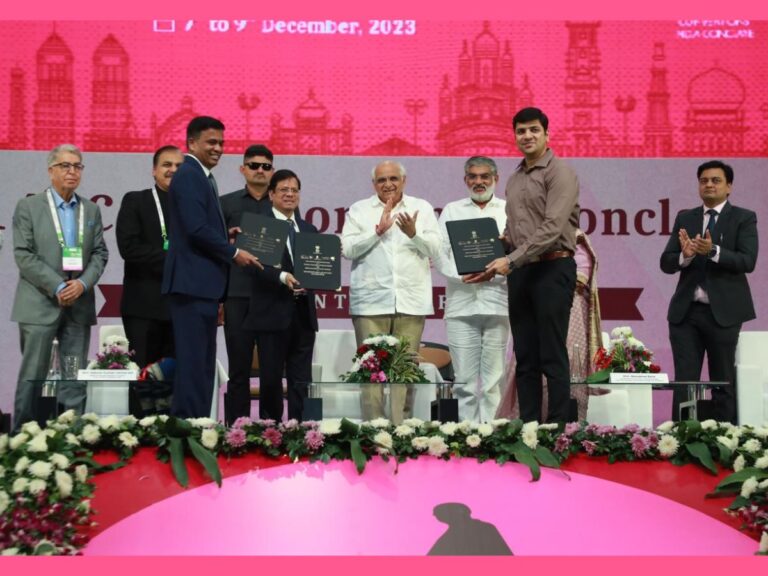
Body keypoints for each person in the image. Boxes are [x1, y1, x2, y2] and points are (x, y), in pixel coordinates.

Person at [469, 107, 579, 424]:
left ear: (546, 134)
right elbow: (519, 230)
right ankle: (529, 427)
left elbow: (553, 228)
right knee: (525, 356)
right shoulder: (515, 177)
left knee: (552, 354)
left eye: (533, 130)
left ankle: (557, 429)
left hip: (552, 268)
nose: (527, 136)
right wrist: (499, 246)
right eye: (521, 131)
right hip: (522, 272)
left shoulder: (560, 172)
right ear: (514, 136)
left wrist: (511, 257)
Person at [161, 116, 261, 419]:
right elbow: (194, 229)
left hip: (201, 285)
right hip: (191, 284)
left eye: (221, 142)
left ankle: (198, 425)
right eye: (211, 142)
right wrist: (232, 252)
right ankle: (188, 428)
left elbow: (199, 227)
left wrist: (223, 236)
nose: (218, 148)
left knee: (203, 363)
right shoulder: (190, 174)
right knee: (194, 363)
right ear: (192, 143)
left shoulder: (201, 175)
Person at [10, 144, 109, 431]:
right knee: (34, 374)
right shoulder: (29, 206)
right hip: (40, 304)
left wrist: (81, 283)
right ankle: (21, 437)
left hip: (78, 305)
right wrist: (57, 286)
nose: (72, 172)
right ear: (51, 170)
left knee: (72, 374)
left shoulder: (90, 209)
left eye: (77, 166)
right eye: (65, 166)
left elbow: (100, 254)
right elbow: (23, 254)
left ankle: (73, 436)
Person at [341, 160, 441, 423]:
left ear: (404, 181)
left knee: (404, 372)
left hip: (411, 303)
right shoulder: (359, 210)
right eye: (382, 180)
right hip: (370, 303)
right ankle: (373, 429)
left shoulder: (422, 208)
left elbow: (436, 250)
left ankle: (401, 429)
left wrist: (413, 234)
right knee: (370, 372)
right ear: (374, 184)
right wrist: (377, 232)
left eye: (393, 179)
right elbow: (348, 249)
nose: (388, 184)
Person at [660, 160, 757, 423]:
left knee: (722, 380)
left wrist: (712, 251)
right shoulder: (686, 217)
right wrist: (686, 255)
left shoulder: (743, 218)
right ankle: (680, 439)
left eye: (716, 180)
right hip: (686, 315)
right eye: (704, 180)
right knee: (685, 382)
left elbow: (747, 261)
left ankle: (726, 440)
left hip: (723, 314)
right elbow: (666, 263)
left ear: (729, 187)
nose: (709, 185)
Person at [496, 230, 604, 422]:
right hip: (530, 295)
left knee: (560, 360)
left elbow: (583, 271)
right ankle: (528, 426)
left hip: (567, 309)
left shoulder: (571, 235)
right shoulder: (521, 233)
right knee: (527, 361)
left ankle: (560, 429)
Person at [435, 156, 509, 423]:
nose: (479, 182)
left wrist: (496, 273)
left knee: (493, 381)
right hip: (461, 304)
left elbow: (516, 254)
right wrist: (461, 274)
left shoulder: (509, 210)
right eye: (473, 177)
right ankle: (467, 437)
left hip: (498, 302)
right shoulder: (452, 210)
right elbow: (439, 252)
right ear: (465, 180)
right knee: (464, 381)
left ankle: (493, 435)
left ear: (495, 179)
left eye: (484, 176)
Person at [243, 170, 318, 421]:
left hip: (303, 315)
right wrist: (283, 277)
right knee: (271, 379)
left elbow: (315, 269)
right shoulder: (258, 225)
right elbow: (254, 267)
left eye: (294, 190)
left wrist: (323, 276)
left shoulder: (309, 228)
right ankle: (270, 431)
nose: (289, 194)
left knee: (302, 380)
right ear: (272, 194)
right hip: (271, 313)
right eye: (284, 190)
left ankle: (305, 431)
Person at [220, 144, 276, 422]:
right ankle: (236, 430)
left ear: (272, 171)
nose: (260, 170)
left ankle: (271, 428)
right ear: (243, 169)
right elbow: (216, 252)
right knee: (239, 368)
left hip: (272, 296)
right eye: (254, 165)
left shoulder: (281, 203)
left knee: (271, 368)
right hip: (237, 294)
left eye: (266, 166)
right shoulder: (225, 203)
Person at [116, 145, 184, 368]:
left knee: (176, 382)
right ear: (154, 170)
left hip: (181, 307)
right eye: (167, 164)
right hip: (143, 307)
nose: (173, 170)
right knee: (142, 380)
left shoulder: (195, 208)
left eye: (179, 166)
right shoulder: (136, 201)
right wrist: (178, 259)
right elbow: (129, 248)